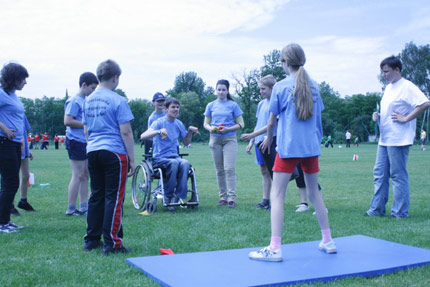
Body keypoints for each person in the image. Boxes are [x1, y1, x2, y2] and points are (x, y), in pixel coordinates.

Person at [249, 43, 336, 262]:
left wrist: (268, 139)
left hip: (288, 149)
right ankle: (328, 240)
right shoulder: (314, 85)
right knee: (315, 193)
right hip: (311, 148)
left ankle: (275, 248)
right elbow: (318, 122)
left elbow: (273, 119)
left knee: (277, 195)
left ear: (286, 62)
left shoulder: (280, 87)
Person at [365, 56, 430, 218]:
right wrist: (378, 116)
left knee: (397, 175)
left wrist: (406, 118)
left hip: (399, 139)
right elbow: (391, 111)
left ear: (397, 70)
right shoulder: (388, 88)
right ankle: (377, 209)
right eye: (382, 72)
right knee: (379, 174)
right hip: (385, 139)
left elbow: (424, 103)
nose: (384, 75)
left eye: (386, 71)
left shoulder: (407, 86)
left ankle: (400, 212)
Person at [83, 59, 135, 255]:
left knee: (96, 195)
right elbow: (126, 132)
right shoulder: (118, 100)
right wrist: (131, 159)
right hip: (114, 152)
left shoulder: (87, 101)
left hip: (93, 150)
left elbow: (86, 130)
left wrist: (92, 146)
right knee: (114, 197)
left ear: (98, 77)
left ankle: (91, 240)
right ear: (115, 78)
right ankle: (112, 243)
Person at [140, 97, 199, 211]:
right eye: (173, 107)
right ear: (166, 109)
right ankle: (168, 195)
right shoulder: (159, 122)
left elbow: (186, 142)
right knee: (174, 163)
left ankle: (177, 196)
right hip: (160, 158)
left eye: (177, 107)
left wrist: (190, 131)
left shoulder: (179, 124)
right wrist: (158, 131)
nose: (176, 109)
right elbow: (142, 136)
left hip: (175, 157)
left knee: (185, 163)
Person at [204, 79, 244, 208]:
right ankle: (223, 198)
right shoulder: (211, 105)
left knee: (229, 169)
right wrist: (210, 128)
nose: (221, 92)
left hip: (229, 139)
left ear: (227, 91)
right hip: (215, 139)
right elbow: (206, 123)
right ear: (216, 90)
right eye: (219, 89)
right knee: (219, 170)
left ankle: (231, 198)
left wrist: (228, 129)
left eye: (223, 90)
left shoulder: (233, 105)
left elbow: (241, 124)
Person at [64, 72, 99, 216]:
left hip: (85, 142)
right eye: (92, 88)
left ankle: (84, 206)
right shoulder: (74, 101)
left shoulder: (86, 100)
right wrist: (87, 124)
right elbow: (67, 121)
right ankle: (71, 208)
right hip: (75, 141)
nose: (93, 91)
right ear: (83, 85)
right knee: (77, 175)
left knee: (85, 175)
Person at [0, 62, 29, 233]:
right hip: (4, 142)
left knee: (9, 183)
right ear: (14, 78)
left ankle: (6, 221)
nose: (25, 82)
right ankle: (2, 223)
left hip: (15, 143)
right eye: (23, 79)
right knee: (11, 184)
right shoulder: (2, 94)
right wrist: (3, 127)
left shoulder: (12, 95)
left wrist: (22, 141)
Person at [241, 75, 277, 210]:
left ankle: (275, 201)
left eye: (263, 89)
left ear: (272, 88)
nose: (261, 91)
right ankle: (265, 200)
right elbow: (259, 124)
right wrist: (252, 140)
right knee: (264, 171)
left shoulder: (275, 102)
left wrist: (253, 135)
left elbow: (270, 124)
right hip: (259, 142)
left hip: (271, 140)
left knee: (275, 173)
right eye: (260, 89)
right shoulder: (261, 104)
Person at [15, 115, 35, 212]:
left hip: (23, 147)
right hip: (13, 145)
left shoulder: (21, 112)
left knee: (26, 175)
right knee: (11, 178)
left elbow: (24, 131)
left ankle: (23, 201)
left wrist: (27, 149)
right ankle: (9, 205)